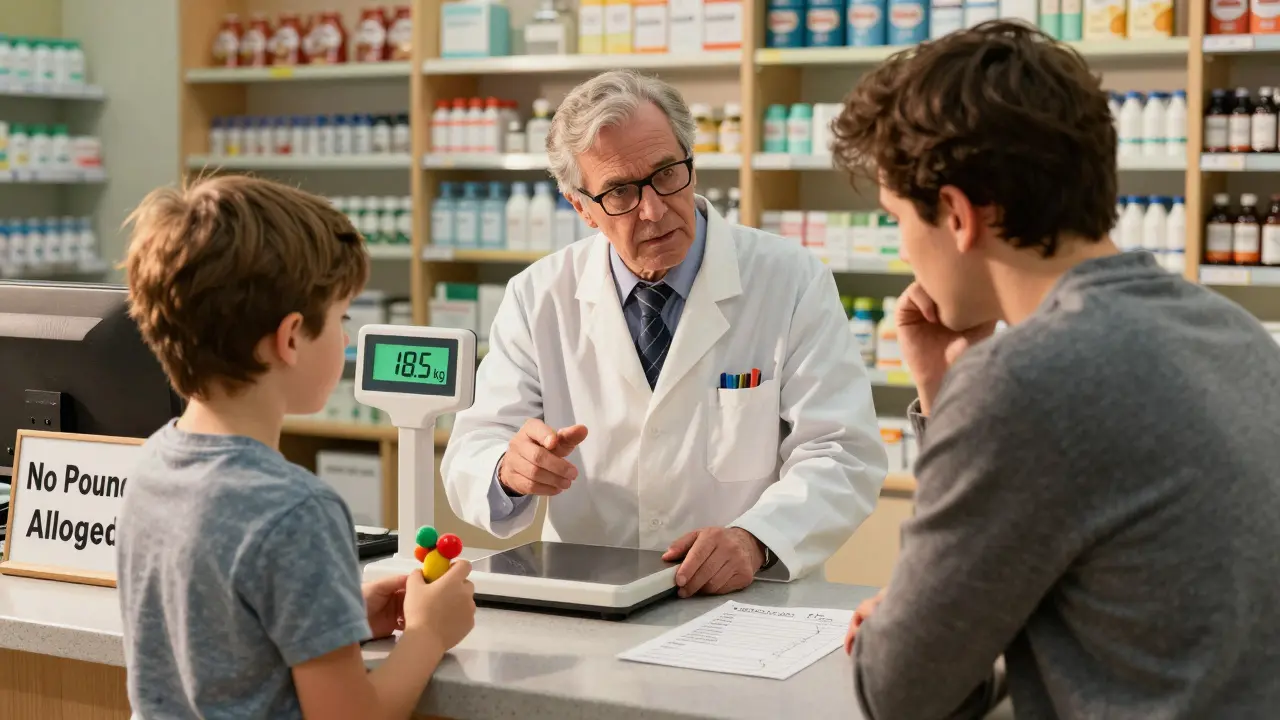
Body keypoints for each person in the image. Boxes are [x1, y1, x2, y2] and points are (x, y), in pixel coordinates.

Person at [834, 21, 1280, 719]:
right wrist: (949, 391)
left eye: (898, 219)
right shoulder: (1228, 328)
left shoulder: (1022, 383)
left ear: (955, 215)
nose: (902, 248)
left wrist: (890, 629)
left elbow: (900, 691)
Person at [443, 69, 887, 596]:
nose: (654, 210)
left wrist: (757, 538)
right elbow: (475, 445)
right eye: (619, 193)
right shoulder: (538, 296)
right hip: (591, 597)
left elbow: (841, 450)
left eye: (667, 173)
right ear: (580, 206)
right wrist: (508, 470)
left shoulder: (790, 279)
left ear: (692, 164)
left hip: (749, 601)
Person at [118, 176, 477, 720]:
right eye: (341, 319)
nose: (348, 339)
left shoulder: (150, 467)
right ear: (290, 339)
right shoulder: (297, 511)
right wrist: (429, 634)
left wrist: (339, 615)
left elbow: (222, 629)